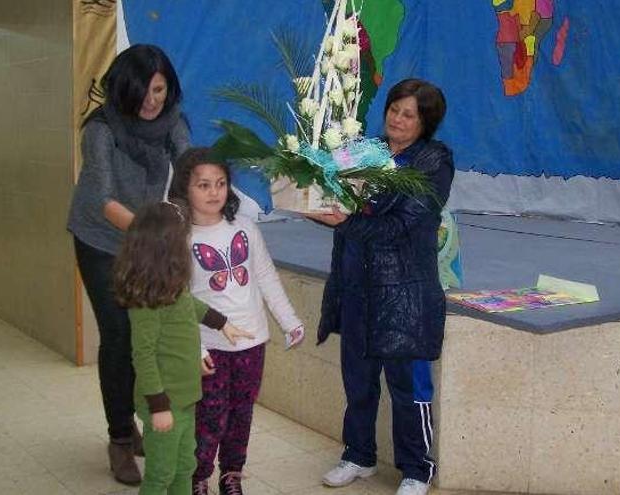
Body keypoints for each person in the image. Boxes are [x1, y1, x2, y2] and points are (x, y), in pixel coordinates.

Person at [306, 79, 454, 495]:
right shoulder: (363, 151)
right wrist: (312, 200)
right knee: (358, 380)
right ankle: (358, 455)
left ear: (425, 123)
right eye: (394, 109)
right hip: (357, 286)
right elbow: (331, 197)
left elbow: (404, 225)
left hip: (403, 293)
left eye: (409, 114)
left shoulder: (434, 161)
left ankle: (417, 470)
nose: (397, 118)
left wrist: (345, 221)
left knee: (409, 387)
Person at [67, 44, 190, 485]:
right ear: (123, 88)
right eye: (142, 91)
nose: (151, 101)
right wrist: (153, 232)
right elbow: (102, 200)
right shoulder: (100, 129)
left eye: (159, 90)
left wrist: (209, 207)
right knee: (119, 334)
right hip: (100, 239)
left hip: (144, 240)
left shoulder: (173, 122)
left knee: (149, 334)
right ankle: (120, 438)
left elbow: (189, 172)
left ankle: (139, 419)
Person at [168, 148, 306, 495]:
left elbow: (266, 277)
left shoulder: (244, 228)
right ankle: (197, 476)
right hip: (209, 347)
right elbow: (179, 300)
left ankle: (232, 474)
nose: (214, 192)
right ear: (185, 188)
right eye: (203, 185)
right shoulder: (181, 238)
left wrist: (289, 321)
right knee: (209, 417)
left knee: (241, 414)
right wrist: (196, 347)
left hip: (251, 343)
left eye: (220, 184)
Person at [115, 201, 253, 495]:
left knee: (184, 468)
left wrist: (222, 322)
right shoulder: (145, 300)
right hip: (164, 403)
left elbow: (190, 305)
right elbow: (144, 356)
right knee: (161, 474)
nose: (187, 244)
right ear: (164, 247)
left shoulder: (171, 285)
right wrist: (159, 407)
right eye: (183, 238)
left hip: (186, 396)